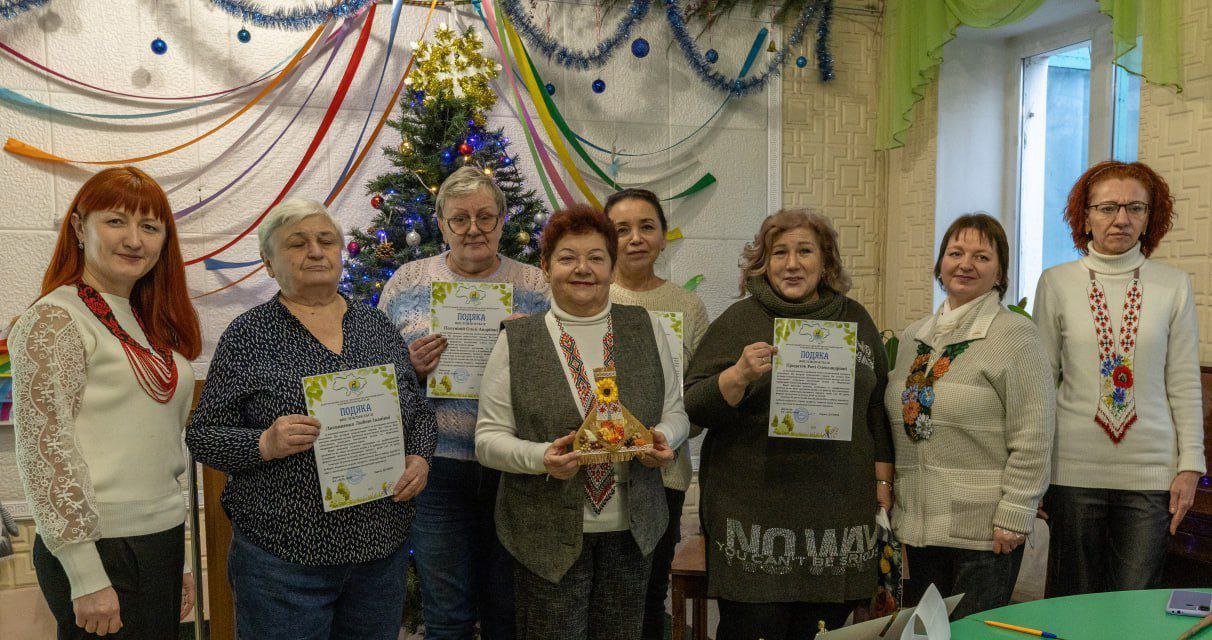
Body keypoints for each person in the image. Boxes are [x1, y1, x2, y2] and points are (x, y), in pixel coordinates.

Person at [186, 198, 437, 640]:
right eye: (297, 243)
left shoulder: (376, 326)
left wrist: (419, 458)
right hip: (284, 561)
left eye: (326, 240)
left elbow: (416, 413)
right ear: (269, 263)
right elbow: (203, 435)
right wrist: (263, 443)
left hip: (379, 553)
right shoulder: (248, 335)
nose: (316, 251)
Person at [475, 205, 690, 640]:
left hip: (632, 532)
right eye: (567, 257)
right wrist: (541, 457)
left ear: (611, 266)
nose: (583, 269)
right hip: (546, 535)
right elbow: (487, 439)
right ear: (546, 266)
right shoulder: (518, 340)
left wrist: (662, 438)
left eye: (596, 257)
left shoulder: (646, 327)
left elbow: (676, 411)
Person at [9, 166, 201, 638]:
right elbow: (45, 452)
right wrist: (85, 574)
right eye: (116, 221)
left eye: (150, 227)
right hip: (99, 548)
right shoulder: (56, 319)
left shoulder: (145, 321)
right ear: (79, 227)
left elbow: (155, 448)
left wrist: (179, 558)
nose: (134, 240)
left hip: (158, 541)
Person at [683, 209, 893, 640]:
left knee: (823, 632)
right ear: (763, 262)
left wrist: (884, 484)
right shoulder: (739, 321)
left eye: (805, 251)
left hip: (835, 523)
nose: (792, 264)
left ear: (826, 261)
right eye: (779, 253)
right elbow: (695, 407)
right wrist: (738, 375)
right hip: (753, 522)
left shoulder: (856, 319)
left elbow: (877, 409)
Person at [377, 166, 549, 640]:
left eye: (485, 217)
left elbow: (561, 374)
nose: (474, 229)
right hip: (435, 468)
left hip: (513, 468)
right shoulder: (407, 281)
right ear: (441, 224)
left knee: (506, 611)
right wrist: (409, 367)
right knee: (446, 614)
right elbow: (373, 372)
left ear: (502, 220)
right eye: (459, 219)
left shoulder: (536, 285)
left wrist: (531, 348)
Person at [1033, 160, 1205, 595]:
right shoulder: (1055, 283)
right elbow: (1039, 385)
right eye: (1107, 207)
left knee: (1134, 603)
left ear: (1150, 217)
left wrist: (1190, 466)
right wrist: (1034, 471)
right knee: (1072, 602)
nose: (1121, 219)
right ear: (1085, 217)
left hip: (1151, 476)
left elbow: (1184, 381)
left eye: (1135, 208)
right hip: (1072, 471)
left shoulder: (1174, 285)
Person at [885, 213, 1054, 618]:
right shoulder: (914, 337)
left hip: (985, 532)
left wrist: (1016, 511)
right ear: (940, 264)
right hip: (921, 527)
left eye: (981, 256)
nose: (965, 264)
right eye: (955, 253)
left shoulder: (1016, 335)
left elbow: (1034, 433)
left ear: (1000, 273)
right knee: (928, 634)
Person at [603, 188, 709, 640]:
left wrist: (667, 433)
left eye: (646, 227)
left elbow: (700, 398)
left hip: (663, 474)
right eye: (621, 229)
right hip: (597, 470)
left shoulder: (688, 306)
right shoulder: (587, 297)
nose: (635, 238)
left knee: (649, 595)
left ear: (664, 237)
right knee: (603, 594)